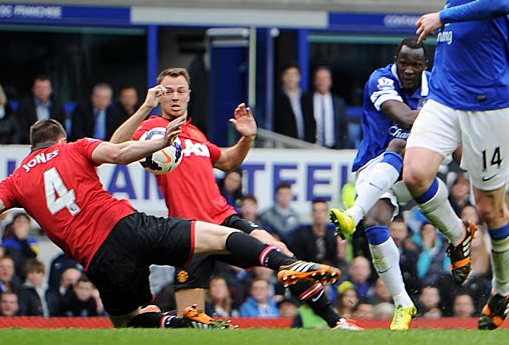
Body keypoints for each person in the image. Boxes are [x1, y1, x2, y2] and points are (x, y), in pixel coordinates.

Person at [0, 117, 340, 329]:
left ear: (30, 148)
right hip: (128, 226)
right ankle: (281, 261)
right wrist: (158, 144)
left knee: (129, 321)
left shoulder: (15, 181)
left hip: (100, 260)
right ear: (60, 138)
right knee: (219, 235)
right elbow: (121, 153)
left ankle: (182, 325)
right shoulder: (76, 147)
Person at [110, 67, 357, 330]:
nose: (175, 96)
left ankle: (336, 322)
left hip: (223, 218)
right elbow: (114, 147)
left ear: (189, 95)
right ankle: (149, 321)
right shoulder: (152, 130)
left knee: (284, 255)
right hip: (188, 232)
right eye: (167, 91)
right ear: (159, 96)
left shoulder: (195, 134)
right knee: (190, 320)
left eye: (180, 91)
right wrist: (145, 108)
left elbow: (227, 161)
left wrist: (247, 138)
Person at [405, 0, 509, 330]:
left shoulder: (459, 8)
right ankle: (457, 233)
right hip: (444, 98)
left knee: (491, 209)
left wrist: (443, 17)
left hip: (488, 104)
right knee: (415, 175)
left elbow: (497, 2)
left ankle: (503, 291)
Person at [329, 37, 430, 330]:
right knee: (375, 226)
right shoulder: (381, 79)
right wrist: (443, 110)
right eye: (404, 63)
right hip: (375, 167)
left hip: (416, 166)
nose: (409, 70)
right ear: (395, 60)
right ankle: (403, 303)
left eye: (416, 64)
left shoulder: (435, 84)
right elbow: (405, 117)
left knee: (399, 145)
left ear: (425, 65)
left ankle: (352, 215)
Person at [305, 66, 349, 149]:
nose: (322, 82)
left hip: (334, 149)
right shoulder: (307, 101)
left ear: (330, 82)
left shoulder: (338, 103)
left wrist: (344, 148)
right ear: (314, 81)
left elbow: (344, 127)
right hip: (312, 148)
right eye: (319, 78)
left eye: (325, 78)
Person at [16, 74, 66, 144]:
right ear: (33, 89)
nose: (42, 91)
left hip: (54, 146)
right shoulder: (24, 106)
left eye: (45, 88)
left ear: (51, 90)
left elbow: (61, 129)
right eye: (39, 87)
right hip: (29, 145)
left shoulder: (58, 106)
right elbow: (21, 129)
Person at [273, 62, 316, 143]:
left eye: (294, 75)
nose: (291, 78)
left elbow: (311, 122)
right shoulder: (277, 99)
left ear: (299, 77)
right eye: (288, 74)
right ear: (283, 77)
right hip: (285, 145)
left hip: (306, 145)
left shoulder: (306, 98)